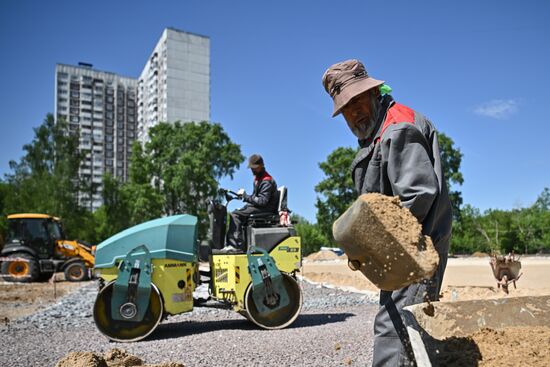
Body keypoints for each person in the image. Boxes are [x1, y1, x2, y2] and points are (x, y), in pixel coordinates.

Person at [322, 59, 452, 366]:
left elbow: (416, 196)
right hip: (402, 252)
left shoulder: (398, 127)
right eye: (346, 108)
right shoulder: (380, 131)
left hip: (414, 253)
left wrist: (374, 245)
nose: (354, 113)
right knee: (409, 329)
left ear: (374, 92)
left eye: (358, 101)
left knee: (393, 329)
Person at [222, 154, 279, 253]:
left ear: (261, 166)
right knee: (239, 211)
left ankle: (235, 246)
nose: (252, 170)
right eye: (251, 168)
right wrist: (245, 198)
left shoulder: (266, 181)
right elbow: (255, 198)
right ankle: (241, 245)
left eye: (255, 168)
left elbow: (262, 201)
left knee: (235, 214)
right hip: (261, 207)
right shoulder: (258, 179)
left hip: (266, 208)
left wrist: (246, 196)